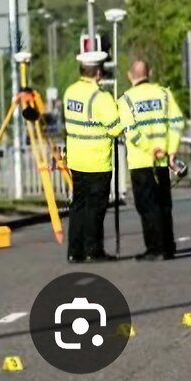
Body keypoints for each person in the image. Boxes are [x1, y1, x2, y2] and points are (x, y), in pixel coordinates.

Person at [118, 59, 186, 261]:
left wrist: (150, 149)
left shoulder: (126, 100)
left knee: (147, 206)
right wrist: (170, 150)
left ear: (130, 76)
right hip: (163, 161)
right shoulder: (164, 94)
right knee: (164, 203)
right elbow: (177, 122)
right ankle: (168, 245)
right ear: (150, 73)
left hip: (142, 162)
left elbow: (131, 132)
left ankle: (155, 248)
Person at [63, 51, 124, 262]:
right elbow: (116, 129)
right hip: (97, 161)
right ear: (98, 72)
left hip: (77, 159)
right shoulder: (102, 98)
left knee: (78, 206)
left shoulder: (70, 93)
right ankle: (93, 250)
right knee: (95, 208)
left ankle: (74, 251)